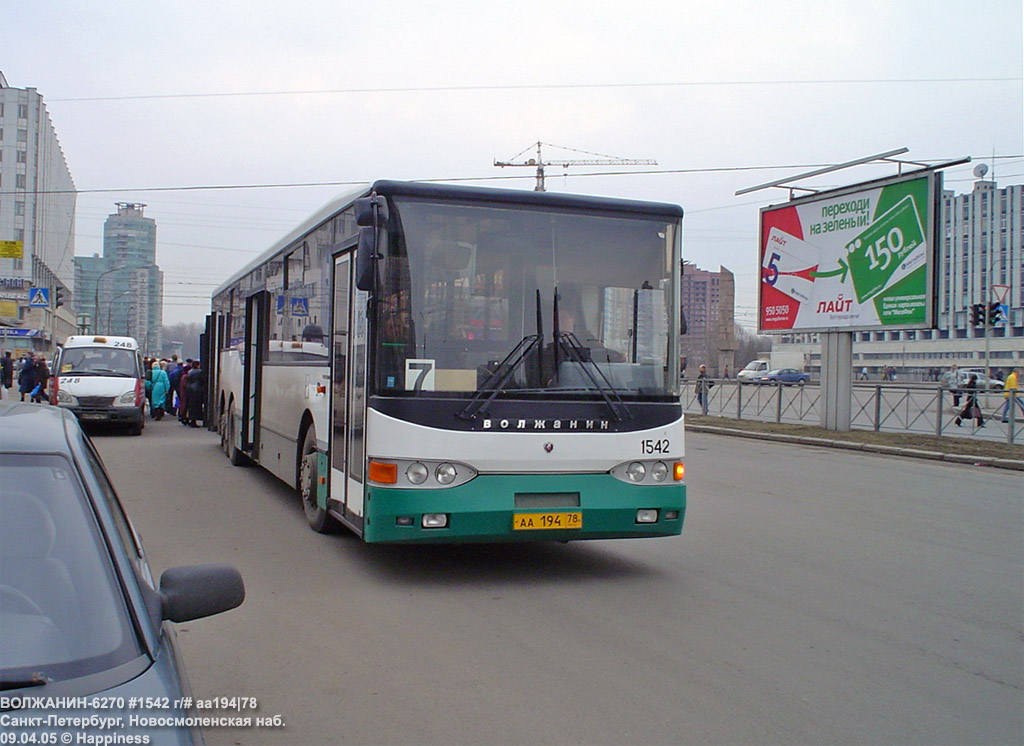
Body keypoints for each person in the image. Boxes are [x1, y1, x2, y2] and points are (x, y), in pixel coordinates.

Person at [183, 359, 205, 428]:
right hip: (197, 390)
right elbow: (202, 381)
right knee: (197, 406)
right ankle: (194, 421)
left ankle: (191, 420)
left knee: (191, 406)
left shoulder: (190, 372)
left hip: (189, 389)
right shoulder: (200, 372)